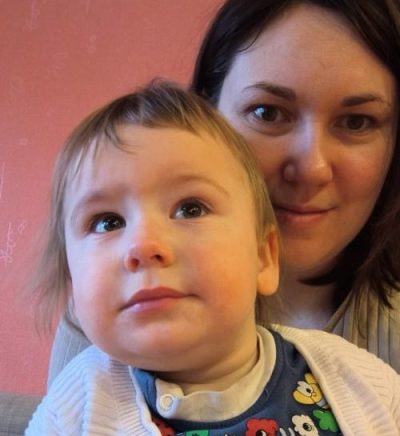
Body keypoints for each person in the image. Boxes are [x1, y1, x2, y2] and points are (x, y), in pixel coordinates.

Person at [46, 0, 400, 385]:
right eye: (267, 113)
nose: (312, 169)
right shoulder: (116, 311)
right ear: (205, 114)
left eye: (357, 122)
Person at [26, 82, 400, 435]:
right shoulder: (73, 410)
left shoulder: (362, 384)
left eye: (190, 209)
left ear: (264, 256)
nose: (142, 245)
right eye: (107, 222)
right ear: (72, 282)